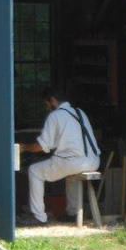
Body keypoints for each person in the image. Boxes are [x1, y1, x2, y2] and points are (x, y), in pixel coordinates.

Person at [18, 86, 101, 225]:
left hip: (74, 162)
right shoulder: (79, 112)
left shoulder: (55, 115)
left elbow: (41, 147)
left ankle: (38, 216)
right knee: (71, 174)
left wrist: (24, 147)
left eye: (46, 104)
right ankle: (73, 212)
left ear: (53, 100)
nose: (46, 108)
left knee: (35, 171)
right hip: (93, 160)